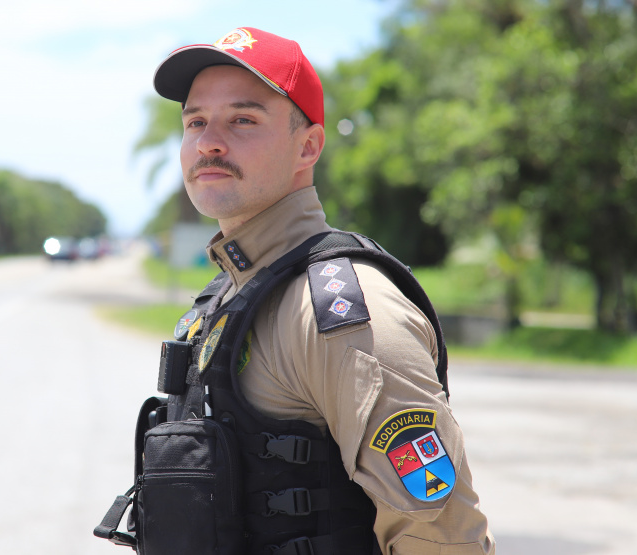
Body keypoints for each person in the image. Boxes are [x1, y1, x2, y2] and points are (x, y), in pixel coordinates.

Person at [97, 28, 494, 555]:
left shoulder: (342, 314)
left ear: (308, 146)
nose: (209, 141)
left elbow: (442, 535)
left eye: (243, 120)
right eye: (196, 122)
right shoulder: (231, 291)